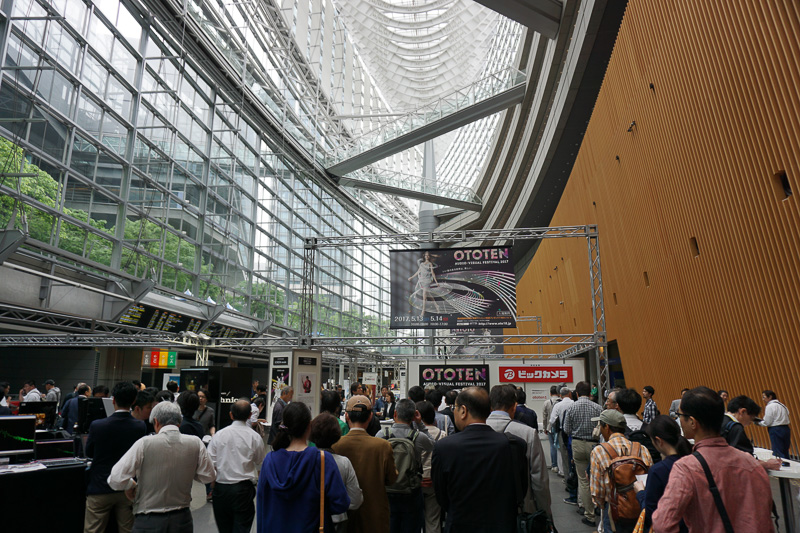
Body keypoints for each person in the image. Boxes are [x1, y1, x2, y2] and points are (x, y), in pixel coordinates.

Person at [652, 386, 774, 532]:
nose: (679, 420)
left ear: (692, 422)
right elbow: (765, 520)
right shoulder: (751, 463)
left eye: (680, 415)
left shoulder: (686, 468)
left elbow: (663, 524)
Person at [108, 401, 216, 532]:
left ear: (156, 421)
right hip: (182, 518)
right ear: (179, 422)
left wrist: (131, 485)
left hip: (149, 519)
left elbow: (115, 479)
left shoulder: (144, 443)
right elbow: (209, 476)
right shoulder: (195, 442)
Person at [432, 387, 518, 533]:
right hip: (500, 525)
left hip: (459, 524)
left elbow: (441, 494)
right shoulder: (511, 445)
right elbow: (518, 487)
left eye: (455, 408)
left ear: (463, 411)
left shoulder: (444, 447)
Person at [257, 402, 349, 533]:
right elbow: (341, 504)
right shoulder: (323, 460)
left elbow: (262, 505)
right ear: (309, 426)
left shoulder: (269, 461)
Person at [84, 382, 147, 533]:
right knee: (127, 529)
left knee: (93, 529)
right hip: (127, 487)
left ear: (113, 400)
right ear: (134, 401)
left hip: (100, 486)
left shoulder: (97, 425)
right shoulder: (140, 427)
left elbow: (89, 452)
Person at [486, 384, 552, 522]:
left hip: (485, 510)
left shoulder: (476, 431)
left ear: (490, 406)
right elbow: (539, 479)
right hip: (521, 509)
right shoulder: (528, 433)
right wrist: (545, 513)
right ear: (514, 406)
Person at [332, 395, 397, 533]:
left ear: (347, 416)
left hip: (345, 517)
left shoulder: (336, 445)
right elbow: (392, 479)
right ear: (370, 417)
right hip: (375, 517)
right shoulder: (383, 446)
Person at [589, 409, 653, 533]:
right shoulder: (641, 449)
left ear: (607, 427)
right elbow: (650, 481)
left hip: (614, 510)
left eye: (600, 425)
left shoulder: (599, 451)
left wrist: (603, 505)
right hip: (640, 506)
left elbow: (597, 492)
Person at [208, 398, 266, 533]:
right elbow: (260, 461)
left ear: (231, 415)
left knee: (224, 528)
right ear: (250, 415)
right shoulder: (254, 437)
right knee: (242, 527)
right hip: (243, 489)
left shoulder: (219, 435)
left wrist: (213, 483)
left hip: (221, 488)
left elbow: (211, 461)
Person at [381, 398, 434, 533]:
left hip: (388, 490)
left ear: (395, 414)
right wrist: (420, 424)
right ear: (413, 416)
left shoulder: (382, 435)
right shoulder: (418, 437)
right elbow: (433, 445)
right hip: (412, 491)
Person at [631, 415, 689, 533]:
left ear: (658, 441)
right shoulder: (692, 461)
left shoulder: (658, 470)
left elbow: (651, 513)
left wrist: (641, 493)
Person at [310, 413, 364, 533]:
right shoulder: (344, 462)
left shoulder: (304, 460)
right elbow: (356, 500)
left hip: (309, 519)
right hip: (337, 519)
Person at [563, 380, 602, 526]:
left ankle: (589, 515)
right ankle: (599, 507)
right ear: (590, 392)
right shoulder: (598, 407)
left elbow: (566, 429)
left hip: (578, 444)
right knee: (596, 477)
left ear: (577, 393)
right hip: (594, 444)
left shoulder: (571, 408)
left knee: (583, 480)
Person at [723, 395, 782, 470]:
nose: (750, 423)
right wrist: (768, 465)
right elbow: (746, 461)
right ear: (742, 411)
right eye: (751, 418)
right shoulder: (735, 428)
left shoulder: (718, 421)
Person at [415, 400, 446, 533]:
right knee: (433, 520)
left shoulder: (414, 435)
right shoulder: (442, 434)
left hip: (417, 482)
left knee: (415, 519)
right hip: (434, 482)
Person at [548, 386, 574, 478]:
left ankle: (567, 479)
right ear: (570, 394)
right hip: (574, 433)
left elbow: (552, 420)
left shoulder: (558, 405)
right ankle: (575, 477)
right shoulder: (574, 403)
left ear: (560, 395)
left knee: (564, 457)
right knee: (574, 456)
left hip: (562, 433)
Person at [760, 389, 791, 459]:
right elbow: (787, 414)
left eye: (764, 397)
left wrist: (759, 423)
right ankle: (787, 463)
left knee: (778, 451)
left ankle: (780, 464)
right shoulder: (782, 405)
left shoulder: (769, 406)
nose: (763, 399)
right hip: (786, 428)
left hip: (775, 429)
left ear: (770, 397)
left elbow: (767, 422)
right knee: (785, 450)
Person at [408, 250, 440, 315]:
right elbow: (418, 271)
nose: (427, 256)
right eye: (426, 255)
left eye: (428, 255)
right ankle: (437, 306)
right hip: (421, 280)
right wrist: (412, 277)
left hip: (427, 281)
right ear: (424, 256)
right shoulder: (422, 264)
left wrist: (436, 282)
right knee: (429, 295)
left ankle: (423, 310)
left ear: (429, 256)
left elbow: (433, 273)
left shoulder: (430, 264)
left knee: (424, 296)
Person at [542, 385, 560, 470]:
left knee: (552, 446)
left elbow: (544, 417)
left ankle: (554, 465)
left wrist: (544, 428)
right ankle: (561, 467)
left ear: (550, 393)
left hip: (550, 427)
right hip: (559, 428)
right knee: (560, 447)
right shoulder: (561, 401)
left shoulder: (546, 403)